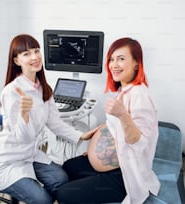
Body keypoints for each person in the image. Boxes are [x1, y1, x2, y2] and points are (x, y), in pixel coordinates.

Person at [0, 34, 96, 204]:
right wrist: (24, 115)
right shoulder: (11, 92)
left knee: (61, 180)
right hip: (7, 159)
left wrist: (81, 136)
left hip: (30, 153)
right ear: (16, 61)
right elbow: (23, 137)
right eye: (26, 54)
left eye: (36, 51)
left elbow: (55, 123)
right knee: (42, 200)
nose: (35, 57)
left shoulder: (44, 88)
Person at [56, 37, 160, 204]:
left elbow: (140, 142)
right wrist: (94, 144)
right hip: (111, 164)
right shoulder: (124, 90)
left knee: (63, 194)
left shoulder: (140, 96)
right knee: (69, 166)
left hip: (124, 176)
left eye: (121, 59)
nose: (114, 65)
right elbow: (115, 126)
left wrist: (123, 114)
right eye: (112, 59)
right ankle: (94, 178)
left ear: (136, 63)